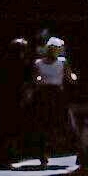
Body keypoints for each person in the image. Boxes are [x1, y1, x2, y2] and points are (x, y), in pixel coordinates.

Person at [30, 38, 77, 168]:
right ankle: (43, 153)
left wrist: (73, 77)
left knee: (62, 121)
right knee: (43, 123)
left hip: (57, 94)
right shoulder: (38, 63)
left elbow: (69, 76)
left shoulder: (62, 62)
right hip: (44, 94)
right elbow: (35, 78)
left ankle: (63, 146)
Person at [0, 38, 31, 168]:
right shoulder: (19, 63)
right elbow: (25, 82)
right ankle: (7, 157)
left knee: (5, 128)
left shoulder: (3, 62)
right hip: (12, 99)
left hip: (4, 99)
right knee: (11, 129)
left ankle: (5, 156)